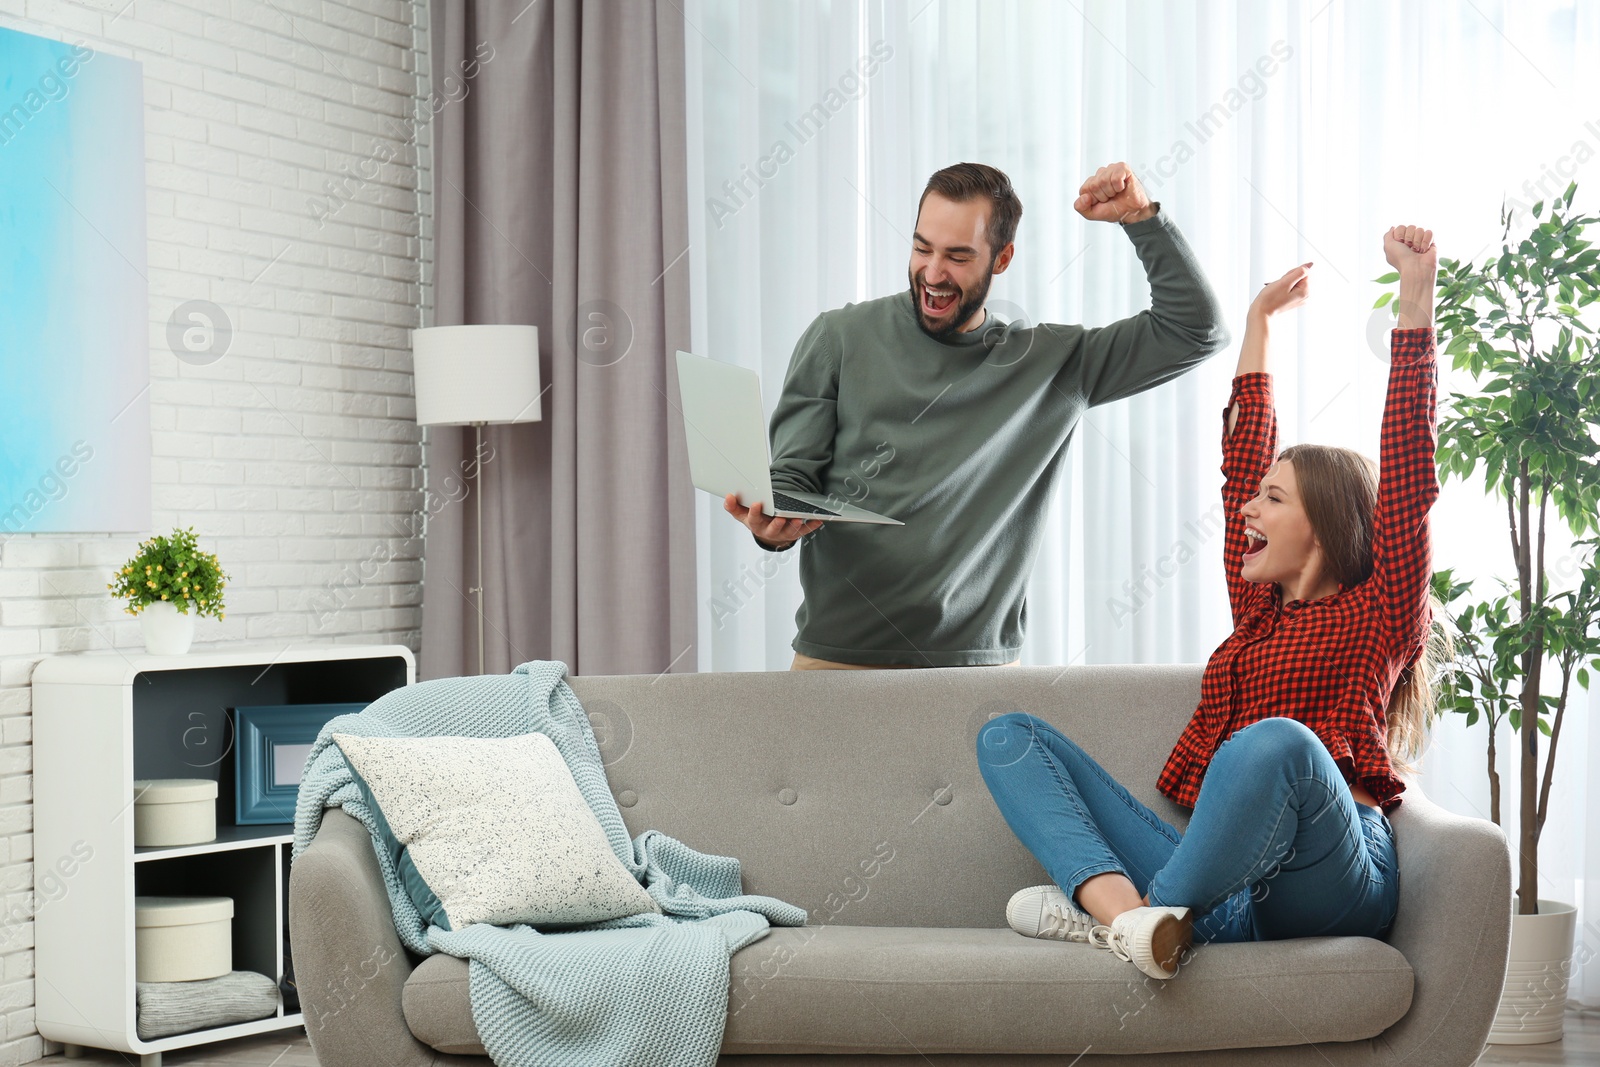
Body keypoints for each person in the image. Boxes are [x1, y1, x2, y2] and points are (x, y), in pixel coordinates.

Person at [974, 225, 1445, 980]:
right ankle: (1141, 926)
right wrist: (1258, 325)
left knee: (1280, 741)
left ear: (1321, 525)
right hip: (1235, 895)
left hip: (1334, 874)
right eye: (1256, 496)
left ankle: (1134, 918)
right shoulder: (1258, 614)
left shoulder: (1379, 610)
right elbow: (1240, 463)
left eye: (1273, 498)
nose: (1249, 509)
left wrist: (1415, 297)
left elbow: (1409, 478)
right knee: (1009, 736)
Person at [724, 162, 1231, 670]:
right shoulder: (838, 337)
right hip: (836, 664)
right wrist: (771, 525)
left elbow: (1196, 329)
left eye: (959, 256)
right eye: (923, 247)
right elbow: (790, 479)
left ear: (1002, 258)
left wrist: (1140, 219)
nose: (934, 273)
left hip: (979, 672)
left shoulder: (1053, 363)